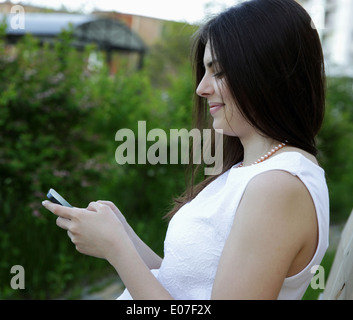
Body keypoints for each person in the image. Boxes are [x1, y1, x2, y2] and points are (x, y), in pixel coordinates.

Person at [42, 0, 329, 300]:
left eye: (217, 72)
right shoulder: (254, 170)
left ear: (266, 74)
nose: (201, 88)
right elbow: (184, 285)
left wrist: (116, 249)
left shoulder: (279, 188)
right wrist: (123, 235)